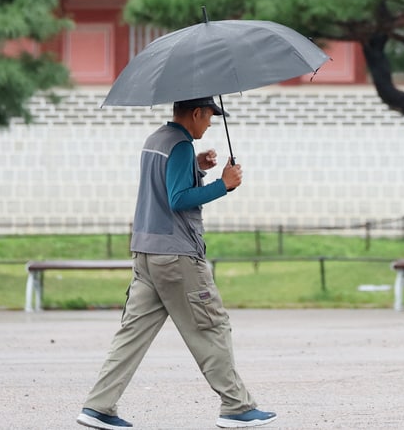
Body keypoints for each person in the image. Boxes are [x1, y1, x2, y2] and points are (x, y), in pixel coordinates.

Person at [77, 97, 277, 429]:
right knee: (211, 326)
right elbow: (177, 199)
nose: (211, 123)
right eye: (211, 115)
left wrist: (196, 167)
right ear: (196, 112)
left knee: (132, 333)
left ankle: (98, 406)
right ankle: (236, 406)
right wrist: (222, 185)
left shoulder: (156, 141)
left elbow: (164, 183)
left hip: (145, 252)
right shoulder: (180, 145)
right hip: (177, 255)